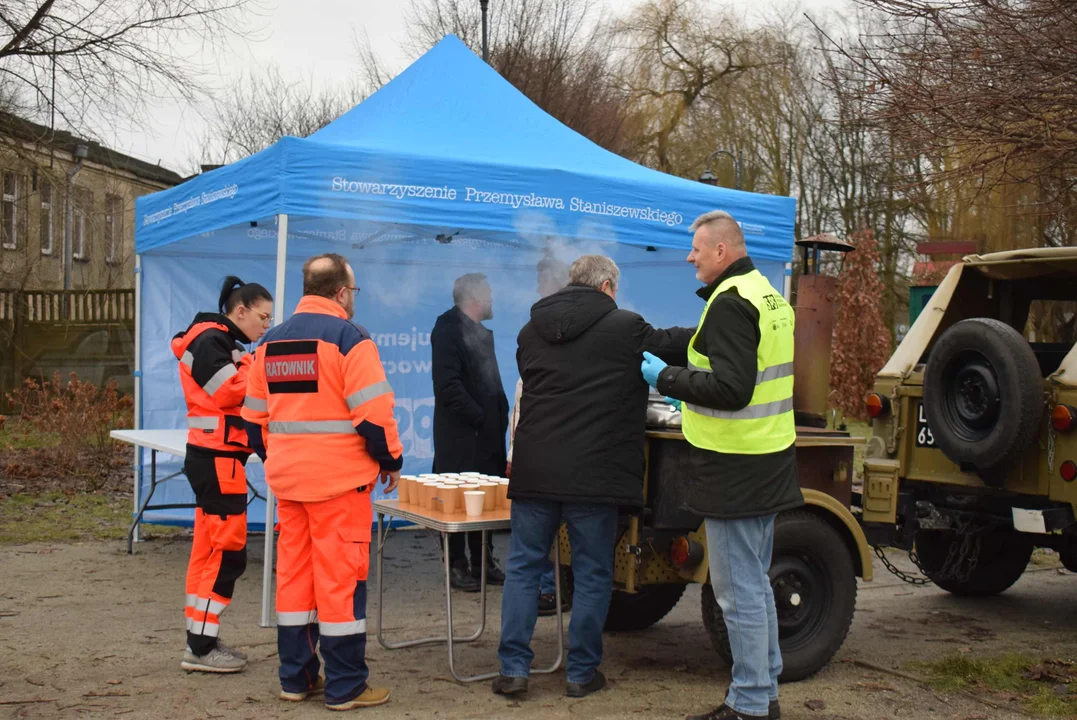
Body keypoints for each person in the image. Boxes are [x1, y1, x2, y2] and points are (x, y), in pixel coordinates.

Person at [494, 255, 693, 699]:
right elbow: (673, 345)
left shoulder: (530, 332)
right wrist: (716, 327)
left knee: (524, 567)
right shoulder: (626, 327)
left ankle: (513, 669)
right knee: (591, 574)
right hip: (594, 473)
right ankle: (582, 673)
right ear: (606, 286)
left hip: (536, 468)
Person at [641, 211, 803, 720]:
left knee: (737, 594)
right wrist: (661, 343)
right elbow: (712, 345)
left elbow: (732, 389)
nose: (689, 256)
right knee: (755, 583)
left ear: (720, 252)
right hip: (768, 458)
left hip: (735, 466)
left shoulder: (732, 304)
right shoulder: (765, 294)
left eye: (695, 248)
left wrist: (665, 379)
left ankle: (750, 703)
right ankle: (765, 692)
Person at [241, 253, 401, 711]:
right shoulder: (351, 339)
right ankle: (346, 686)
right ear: (342, 293)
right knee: (341, 583)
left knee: (294, 581)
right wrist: (390, 461)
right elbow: (374, 418)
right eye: (354, 291)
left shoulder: (268, 344)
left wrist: (284, 459)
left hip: (289, 486)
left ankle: (295, 679)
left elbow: (254, 424)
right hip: (340, 486)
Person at [173, 275, 273, 674]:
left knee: (210, 551)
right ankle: (201, 647)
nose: (265, 327)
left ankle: (200, 640)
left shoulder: (220, 341)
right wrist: (255, 365)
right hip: (217, 461)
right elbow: (229, 391)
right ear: (240, 311)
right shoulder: (210, 341)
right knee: (228, 555)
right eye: (262, 318)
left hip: (215, 459)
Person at [431, 272, 509, 592]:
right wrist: (479, 417)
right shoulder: (448, 329)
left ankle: (482, 561)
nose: (492, 299)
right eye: (488, 293)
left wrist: (499, 416)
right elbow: (448, 386)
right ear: (475, 297)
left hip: (487, 437)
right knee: (457, 500)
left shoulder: (481, 332)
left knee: (484, 501)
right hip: (462, 437)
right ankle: (457, 564)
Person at [507, 253, 570, 616]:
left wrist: (516, 452)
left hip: (545, 450)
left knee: (532, 543)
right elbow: (521, 396)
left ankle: (547, 588)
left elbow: (527, 398)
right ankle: (547, 587)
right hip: (546, 449)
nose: (536, 287)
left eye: (541, 279)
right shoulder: (539, 323)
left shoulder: (548, 323)